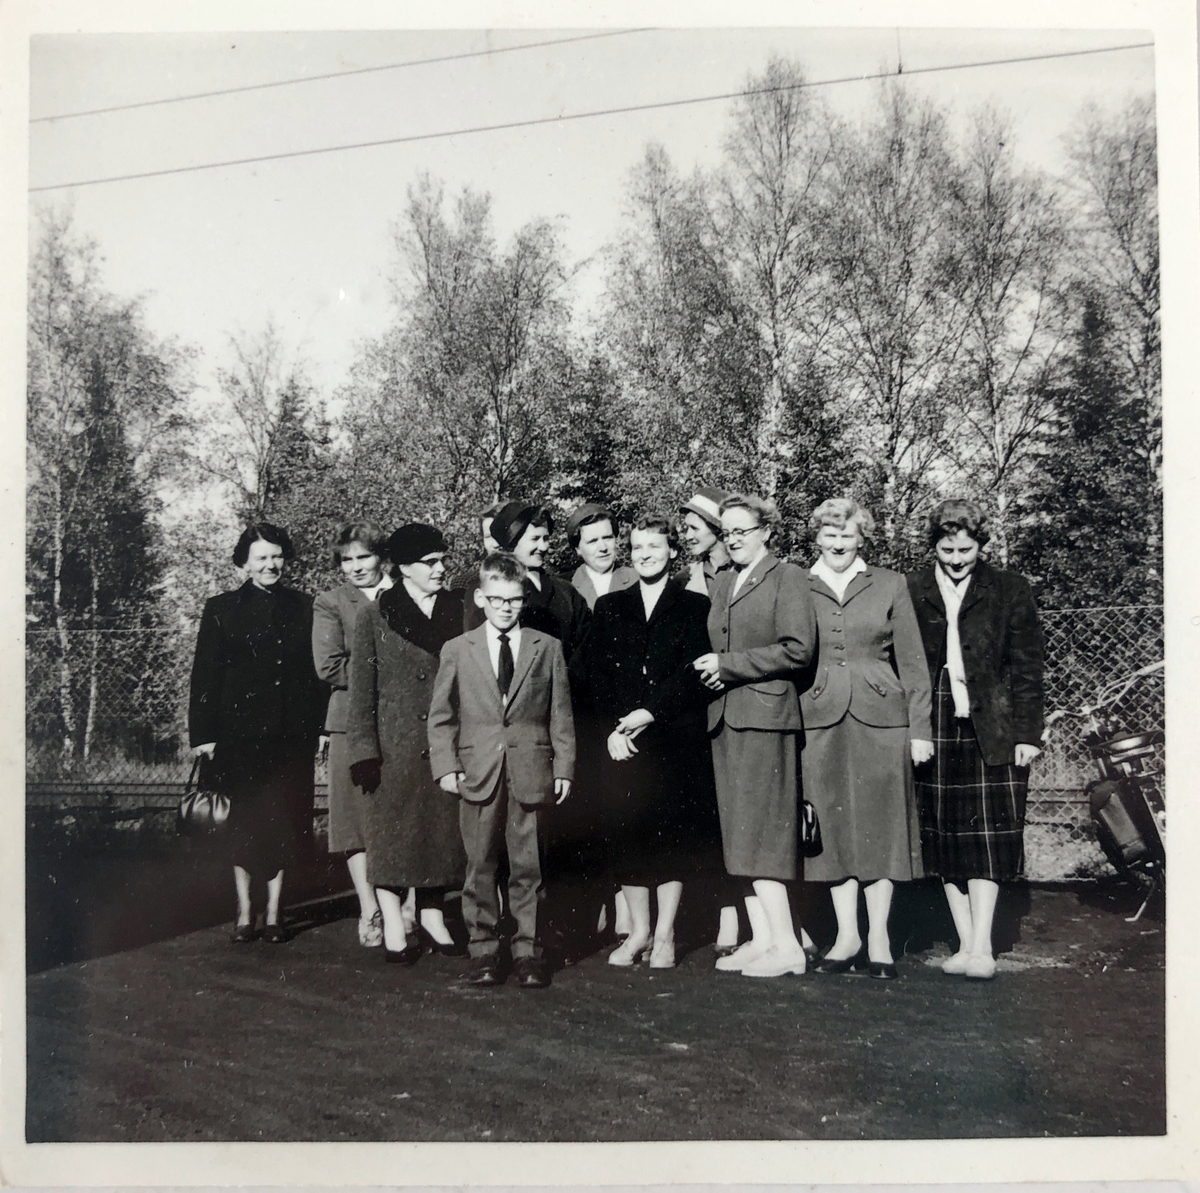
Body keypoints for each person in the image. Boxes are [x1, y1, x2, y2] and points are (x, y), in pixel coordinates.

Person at [909, 499, 1045, 981]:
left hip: (993, 724)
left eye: (965, 550)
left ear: (980, 545)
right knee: (943, 832)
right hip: (934, 721)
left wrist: (1028, 733)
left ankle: (983, 946)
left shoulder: (1009, 589)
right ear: (934, 545)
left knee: (987, 835)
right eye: (947, 550)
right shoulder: (914, 589)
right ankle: (964, 942)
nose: (956, 560)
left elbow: (1027, 666)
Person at [570, 515, 715, 969]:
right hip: (624, 741)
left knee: (671, 838)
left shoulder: (694, 606)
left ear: (672, 551)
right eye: (637, 547)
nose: (645, 554)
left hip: (674, 738)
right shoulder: (610, 606)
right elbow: (597, 676)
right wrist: (613, 732)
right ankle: (639, 932)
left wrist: (650, 713)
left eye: (655, 546)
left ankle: (666, 935)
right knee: (626, 834)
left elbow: (693, 673)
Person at [428, 551, 576, 989]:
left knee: (529, 866)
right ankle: (484, 952)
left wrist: (564, 767)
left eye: (514, 600)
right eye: (496, 599)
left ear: (524, 599)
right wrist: (445, 765)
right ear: (480, 598)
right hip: (478, 772)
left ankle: (529, 952)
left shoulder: (547, 648)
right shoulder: (458, 649)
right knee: (480, 865)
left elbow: (560, 714)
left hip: (531, 770)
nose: (506, 608)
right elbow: (441, 716)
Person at [799, 499, 933, 981]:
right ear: (817, 537)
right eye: (830, 534)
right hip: (818, 717)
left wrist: (920, 730)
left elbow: (913, 663)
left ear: (862, 538)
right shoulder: (798, 583)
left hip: (882, 720)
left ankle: (879, 938)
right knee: (832, 827)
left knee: (881, 827)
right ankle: (846, 936)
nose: (838, 544)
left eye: (848, 535)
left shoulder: (890, 583)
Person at [693, 494, 818, 978]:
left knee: (763, 836)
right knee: (740, 836)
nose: (733, 539)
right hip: (725, 720)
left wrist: (729, 666)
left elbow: (798, 649)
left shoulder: (788, 577)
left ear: (766, 531)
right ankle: (763, 939)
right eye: (727, 532)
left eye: (742, 531)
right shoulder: (725, 580)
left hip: (766, 720)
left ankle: (788, 946)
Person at [189, 523, 326, 944]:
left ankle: (274, 913)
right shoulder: (221, 608)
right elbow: (205, 674)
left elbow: (316, 674)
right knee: (243, 823)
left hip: (291, 737)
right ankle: (245, 910)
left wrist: (321, 726)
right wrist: (203, 735)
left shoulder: (305, 607)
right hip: (239, 739)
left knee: (286, 821)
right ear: (244, 564)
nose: (271, 564)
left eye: (277, 556)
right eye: (261, 557)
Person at [346, 524, 467, 964]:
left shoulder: (458, 609)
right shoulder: (375, 615)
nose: (440, 569)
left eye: (442, 560)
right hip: (393, 749)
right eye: (430, 563)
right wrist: (364, 752)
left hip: (444, 743)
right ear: (404, 568)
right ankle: (395, 922)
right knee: (392, 838)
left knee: (439, 835)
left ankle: (432, 916)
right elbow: (362, 691)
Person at [312, 522, 393, 948]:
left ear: (382, 557)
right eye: (347, 560)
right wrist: (386, 674)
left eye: (364, 556)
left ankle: (407, 908)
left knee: (399, 813)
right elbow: (328, 665)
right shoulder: (330, 602)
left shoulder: (404, 593)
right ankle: (369, 909)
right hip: (349, 722)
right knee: (353, 819)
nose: (356, 567)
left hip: (399, 721)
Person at [679, 486, 740, 955]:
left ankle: (739, 917)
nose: (686, 534)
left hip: (735, 698)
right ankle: (717, 912)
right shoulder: (686, 578)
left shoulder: (738, 574)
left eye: (694, 526)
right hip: (696, 706)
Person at [466, 501, 591, 663]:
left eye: (546, 538)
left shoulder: (566, 591)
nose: (543, 547)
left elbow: (586, 646)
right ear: (512, 542)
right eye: (535, 539)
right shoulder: (486, 589)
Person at [566, 502, 638, 611]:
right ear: (578, 549)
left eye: (607, 538)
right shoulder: (567, 588)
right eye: (593, 541)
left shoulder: (637, 579)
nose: (603, 548)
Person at [680, 488, 734, 597]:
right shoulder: (684, 577)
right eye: (687, 528)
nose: (688, 536)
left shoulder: (744, 570)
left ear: (716, 528)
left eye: (695, 528)